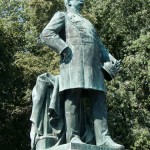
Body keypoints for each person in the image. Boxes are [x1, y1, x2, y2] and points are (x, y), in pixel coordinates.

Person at [40, 0, 124, 149]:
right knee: (72, 98)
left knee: (99, 99)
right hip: (73, 65)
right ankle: (73, 136)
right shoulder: (62, 16)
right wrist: (64, 48)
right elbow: (46, 34)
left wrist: (111, 59)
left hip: (94, 67)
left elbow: (100, 46)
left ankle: (103, 138)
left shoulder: (88, 23)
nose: (81, 0)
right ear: (68, 2)